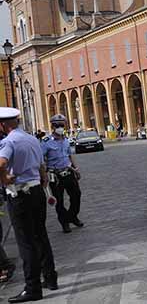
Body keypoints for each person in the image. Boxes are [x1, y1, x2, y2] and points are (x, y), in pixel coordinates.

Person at [0, 107, 57, 303]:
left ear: (3, 125)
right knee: (41, 235)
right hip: (36, 191)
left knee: (25, 243)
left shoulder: (8, 142)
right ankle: (50, 278)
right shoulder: (32, 139)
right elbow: (42, 166)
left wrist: (5, 177)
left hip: (20, 195)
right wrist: (42, 181)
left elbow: (0, 163)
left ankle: (32, 288)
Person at [42, 114, 83, 233]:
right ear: (53, 126)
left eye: (62, 125)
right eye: (58, 125)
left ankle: (72, 216)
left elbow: (69, 155)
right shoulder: (46, 142)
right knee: (59, 201)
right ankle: (64, 222)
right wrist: (44, 175)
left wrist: (76, 169)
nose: (60, 127)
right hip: (55, 175)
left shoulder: (65, 140)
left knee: (76, 195)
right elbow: (41, 159)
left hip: (69, 172)